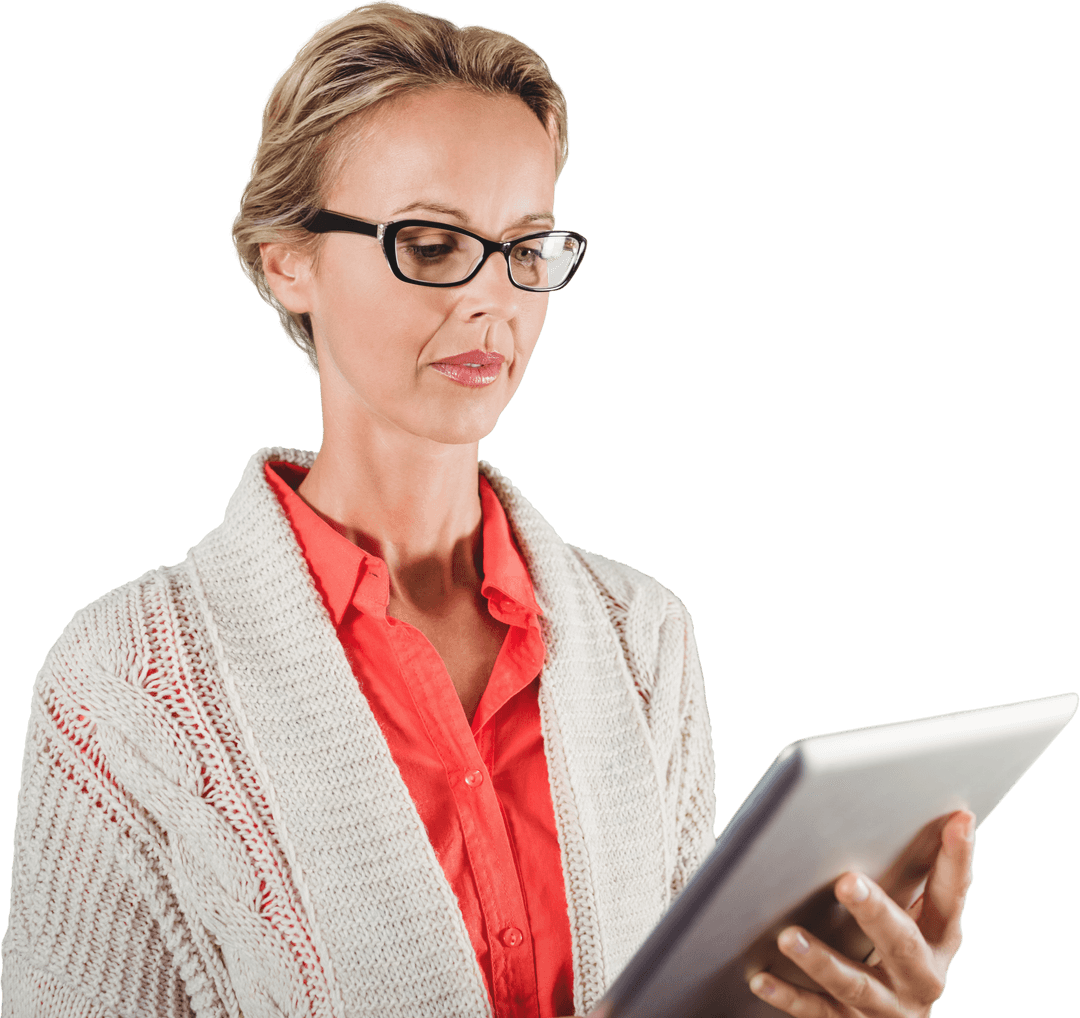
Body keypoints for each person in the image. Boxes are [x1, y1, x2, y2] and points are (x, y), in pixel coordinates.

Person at [1, 4, 974, 1016]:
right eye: (430, 243)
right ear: (290, 259)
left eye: (526, 247)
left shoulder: (645, 638)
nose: (493, 303)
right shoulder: (125, 680)